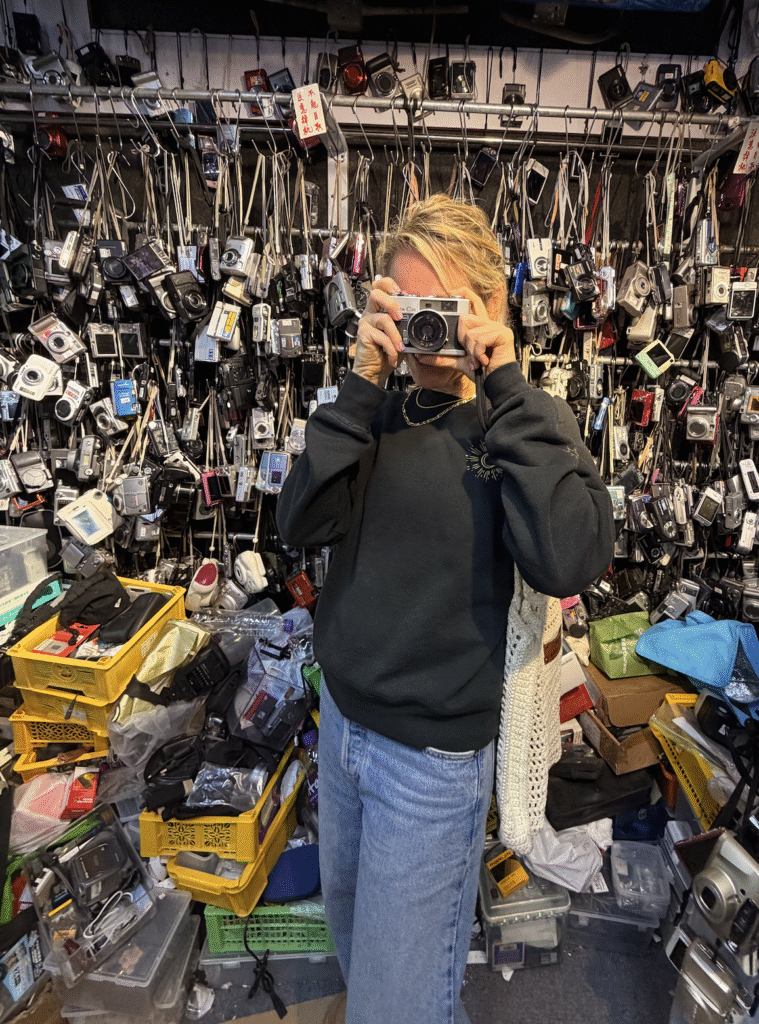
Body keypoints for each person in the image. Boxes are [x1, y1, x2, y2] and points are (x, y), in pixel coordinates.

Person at [276, 194, 615, 1024]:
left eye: (448, 307)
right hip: (345, 728)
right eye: (410, 306)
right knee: (367, 967)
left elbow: (570, 557)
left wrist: (502, 379)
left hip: (428, 763)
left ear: (493, 304)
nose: (430, 332)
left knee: (396, 1005)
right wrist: (361, 380)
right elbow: (300, 524)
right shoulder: (374, 418)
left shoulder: (520, 426)